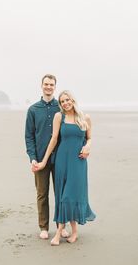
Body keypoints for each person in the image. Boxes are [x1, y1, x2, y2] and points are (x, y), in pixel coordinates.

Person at [34, 90, 96, 245]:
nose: (65, 103)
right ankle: (70, 232)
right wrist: (43, 161)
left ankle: (61, 233)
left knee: (70, 195)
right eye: (62, 101)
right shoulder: (59, 117)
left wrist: (88, 147)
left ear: (73, 100)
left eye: (67, 100)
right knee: (63, 196)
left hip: (78, 162)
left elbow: (89, 138)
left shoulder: (85, 117)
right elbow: (54, 139)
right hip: (62, 161)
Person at [25, 74, 69, 240]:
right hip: (40, 160)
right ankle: (43, 227)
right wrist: (32, 157)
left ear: (55, 87)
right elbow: (29, 136)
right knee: (42, 194)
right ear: (41, 86)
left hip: (60, 158)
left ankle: (61, 226)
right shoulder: (33, 110)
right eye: (46, 84)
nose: (49, 87)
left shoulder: (63, 107)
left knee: (61, 193)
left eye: (52, 84)